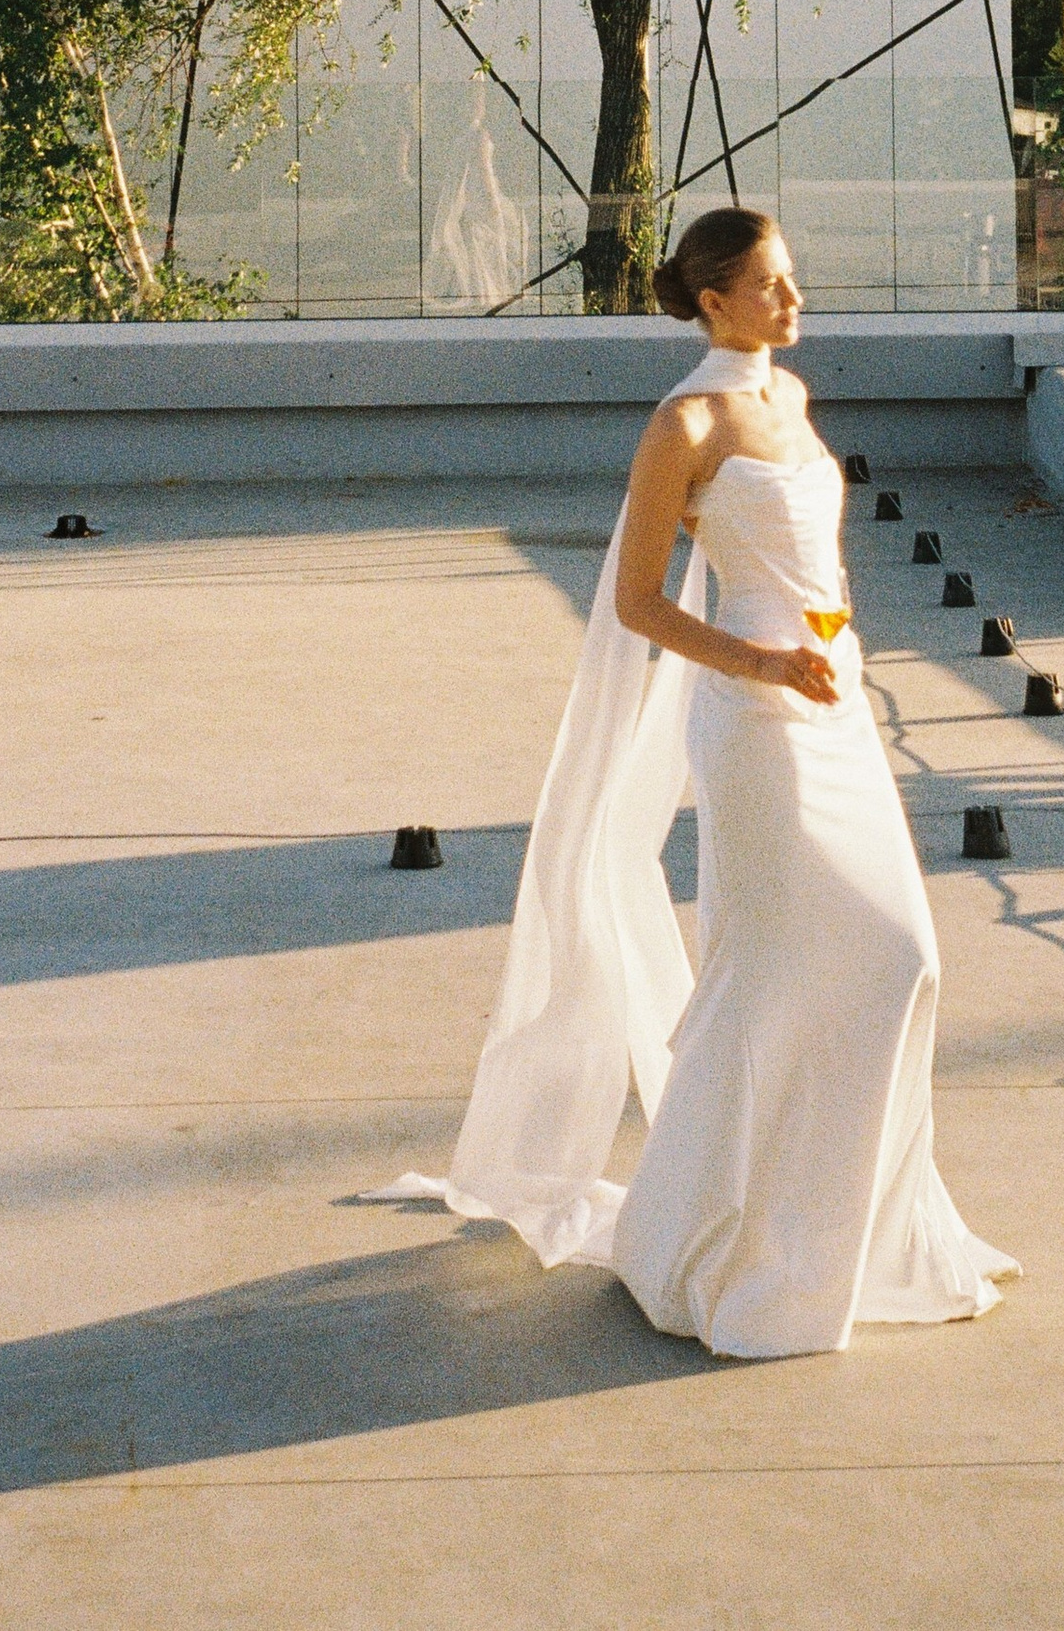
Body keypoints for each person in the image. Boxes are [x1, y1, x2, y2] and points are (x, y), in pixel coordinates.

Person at [385, 203, 1017, 1360]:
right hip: (756, 719)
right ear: (713, 297)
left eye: (793, 278)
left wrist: (826, 653)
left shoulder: (791, 399)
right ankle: (711, 1242)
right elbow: (634, 601)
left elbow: (812, 556)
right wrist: (762, 658)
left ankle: (851, 1235)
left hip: (836, 706)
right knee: (770, 973)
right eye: (770, 283)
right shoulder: (687, 418)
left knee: (899, 957)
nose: (793, 298)